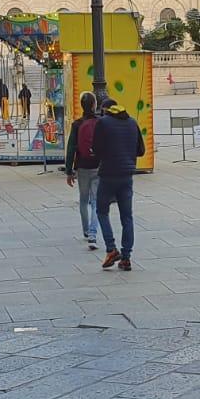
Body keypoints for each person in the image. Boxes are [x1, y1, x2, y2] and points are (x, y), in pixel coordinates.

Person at [92, 96, 146, 270]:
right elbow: (141, 150)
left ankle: (111, 248)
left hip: (108, 174)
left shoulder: (103, 123)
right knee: (127, 217)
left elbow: (97, 149)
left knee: (101, 211)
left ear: (105, 110)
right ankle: (126, 257)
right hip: (127, 175)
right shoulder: (132, 122)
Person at [64, 91, 102, 249]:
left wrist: (69, 170)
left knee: (83, 200)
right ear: (94, 105)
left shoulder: (77, 124)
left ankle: (86, 231)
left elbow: (71, 148)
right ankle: (93, 234)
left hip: (82, 166)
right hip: (98, 166)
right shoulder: (100, 122)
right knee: (96, 202)